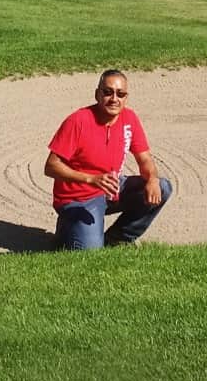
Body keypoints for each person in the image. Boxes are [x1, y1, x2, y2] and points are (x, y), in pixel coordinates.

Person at [43, 69, 173, 250]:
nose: (114, 99)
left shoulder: (129, 118)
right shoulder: (78, 121)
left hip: (111, 188)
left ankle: (118, 238)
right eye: (108, 92)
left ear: (126, 98)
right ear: (97, 94)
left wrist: (152, 179)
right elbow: (51, 166)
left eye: (120, 94)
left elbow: (144, 159)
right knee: (90, 251)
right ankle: (67, 228)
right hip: (79, 198)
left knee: (163, 187)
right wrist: (91, 179)